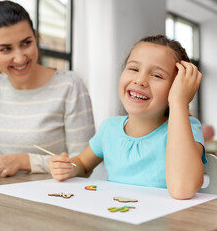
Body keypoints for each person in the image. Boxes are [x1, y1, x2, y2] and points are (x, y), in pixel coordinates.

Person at [49, 34, 206, 200]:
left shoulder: (187, 128)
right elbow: (82, 163)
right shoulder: (109, 128)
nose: (140, 80)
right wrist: (69, 167)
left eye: (157, 75)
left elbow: (183, 189)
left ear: (177, 87)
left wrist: (178, 102)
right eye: (134, 69)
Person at [0, 0, 95, 178]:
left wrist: (24, 161)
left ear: (36, 38)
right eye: (6, 49)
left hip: (54, 197)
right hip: (3, 193)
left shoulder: (70, 86)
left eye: (26, 43)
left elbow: (83, 164)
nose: (19, 58)